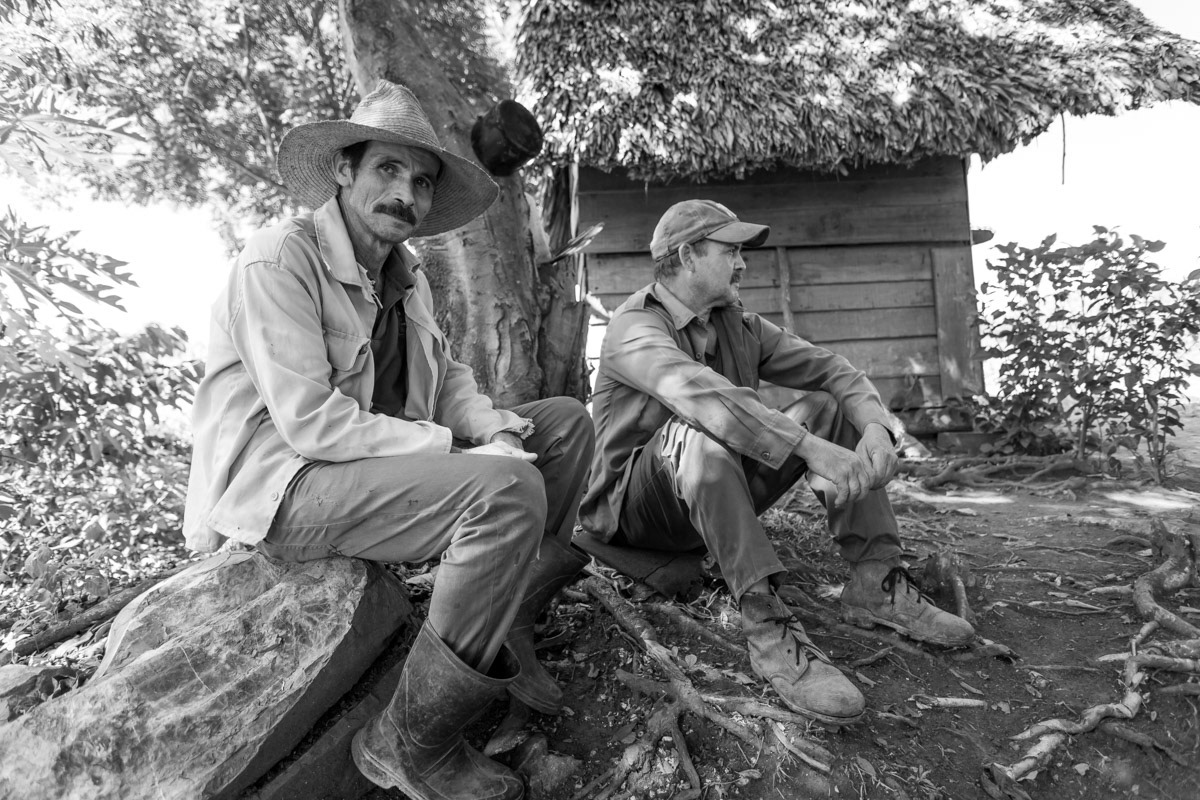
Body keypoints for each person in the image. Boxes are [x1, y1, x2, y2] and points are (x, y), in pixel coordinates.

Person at [182, 81, 593, 800]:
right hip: (285, 486)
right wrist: (454, 451)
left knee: (563, 425)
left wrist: (487, 424)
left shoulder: (408, 276)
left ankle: (508, 623)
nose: (406, 193)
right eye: (388, 169)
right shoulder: (278, 259)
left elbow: (450, 375)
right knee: (504, 489)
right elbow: (312, 424)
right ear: (344, 169)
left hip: (368, 466)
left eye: (423, 181)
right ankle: (408, 742)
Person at [578, 199, 974, 725]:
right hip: (634, 514)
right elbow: (702, 395)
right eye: (731, 251)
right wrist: (811, 449)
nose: (743, 263)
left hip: (710, 500)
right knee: (699, 430)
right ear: (688, 256)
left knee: (831, 406)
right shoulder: (633, 328)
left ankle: (876, 581)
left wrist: (876, 428)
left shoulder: (738, 325)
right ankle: (766, 627)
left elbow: (835, 371)